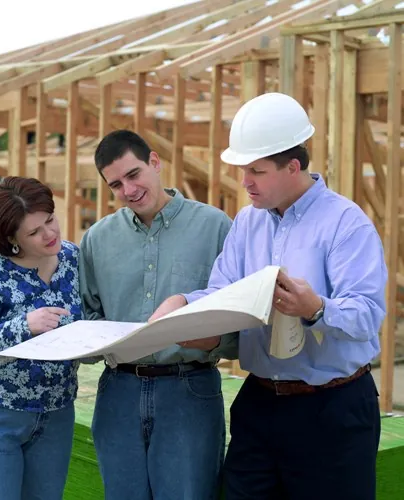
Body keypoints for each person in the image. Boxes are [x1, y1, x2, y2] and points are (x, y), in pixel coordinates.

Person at [151, 92, 387, 500]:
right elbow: (224, 289)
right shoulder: (247, 222)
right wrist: (187, 305)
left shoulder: (346, 224)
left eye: (256, 171)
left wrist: (316, 309)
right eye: (245, 170)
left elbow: (368, 316)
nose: (245, 182)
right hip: (259, 405)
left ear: (292, 167)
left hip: (332, 411)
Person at [79, 130, 239, 500]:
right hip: (117, 392)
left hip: (189, 391)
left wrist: (211, 338)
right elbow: (86, 317)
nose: (128, 190)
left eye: (134, 174)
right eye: (116, 184)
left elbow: (240, 322)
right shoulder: (96, 240)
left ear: (155, 162)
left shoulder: (216, 228)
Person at [0, 176, 82, 500]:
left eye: (50, 220)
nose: (50, 234)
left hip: (57, 414)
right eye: (34, 232)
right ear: (11, 238)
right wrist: (23, 326)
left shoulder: (74, 260)